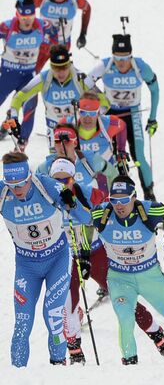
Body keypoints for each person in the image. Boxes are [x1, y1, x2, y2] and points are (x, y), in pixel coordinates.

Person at [46, 159, 164, 364]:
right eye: (56, 180)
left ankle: (160, 340)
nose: (61, 184)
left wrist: (75, 205)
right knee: (67, 304)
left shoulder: (88, 192)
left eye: (65, 179)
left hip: (96, 252)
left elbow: (106, 212)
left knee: (126, 301)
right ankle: (75, 351)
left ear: (73, 178)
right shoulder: (47, 197)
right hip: (66, 257)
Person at [82, 175, 164, 365]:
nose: (119, 205)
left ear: (134, 197)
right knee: (126, 320)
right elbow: (87, 225)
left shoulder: (149, 210)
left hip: (149, 276)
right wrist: (85, 257)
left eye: (124, 200)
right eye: (114, 200)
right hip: (120, 279)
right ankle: (130, 364)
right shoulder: (102, 214)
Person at [0, 151, 90, 366]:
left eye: (21, 183)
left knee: (53, 317)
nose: (17, 190)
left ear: (30, 176)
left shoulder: (47, 186)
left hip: (57, 260)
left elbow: (86, 218)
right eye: (12, 185)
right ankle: (17, 374)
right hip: (26, 267)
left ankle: (57, 366)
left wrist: (71, 201)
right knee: (22, 324)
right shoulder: (3, 192)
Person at [84, 34, 159, 200]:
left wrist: (153, 118)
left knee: (138, 156)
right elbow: (85, 84)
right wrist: (102, 100)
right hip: (111, 115)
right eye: (117, 58)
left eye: (125, 58)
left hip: (133, 115)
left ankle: (149, 195)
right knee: (111, 156)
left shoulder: (140, 67)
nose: (121, 63)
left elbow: (155, 89)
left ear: (131, 56)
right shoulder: (104, 65)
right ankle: (115, 195)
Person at [9, 44, 105, 149]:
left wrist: (96, 119)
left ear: (69, 65)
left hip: (78, 129)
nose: (61, 72)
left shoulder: (80, 78)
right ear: (51, 66)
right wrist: (13, 117)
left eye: (64, 67)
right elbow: (18, 98)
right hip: (55, 130)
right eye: (56, 68)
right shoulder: (43, 79)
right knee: (57, 163)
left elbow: (103, 100)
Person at [0, 0, 59, 139]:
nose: (27, 21)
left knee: (30, 109)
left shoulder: (43, 26)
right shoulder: (7, 27)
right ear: (17, 15)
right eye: (23, 18)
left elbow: (55, 35)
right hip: (8, 74)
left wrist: (49, 49)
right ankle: (8, 122)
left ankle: (22, 143)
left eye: (30, 17)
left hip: (28, 75)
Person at [33, 0, 91, 70]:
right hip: (43, 44)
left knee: (60, 74)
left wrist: (83, 34)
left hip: (63, 45)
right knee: (33, 73)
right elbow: (27, 12)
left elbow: (87, 8)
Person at [71, 91, 128, 193]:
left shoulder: (109, 123)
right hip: (81, 174)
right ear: (78, 111)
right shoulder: (69, 125)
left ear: (98, 112)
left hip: (105, 172)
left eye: (92, 113)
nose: (87, 117)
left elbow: (122, 126)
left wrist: (121, 150)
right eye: (83, 112)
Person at [37, 122, 118, 190]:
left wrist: (112, 198)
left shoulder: (91, 159)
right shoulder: (45, 168)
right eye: (57, 141)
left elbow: (113, 174)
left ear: (75, 143)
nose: (62, 146)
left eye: (66, 141)